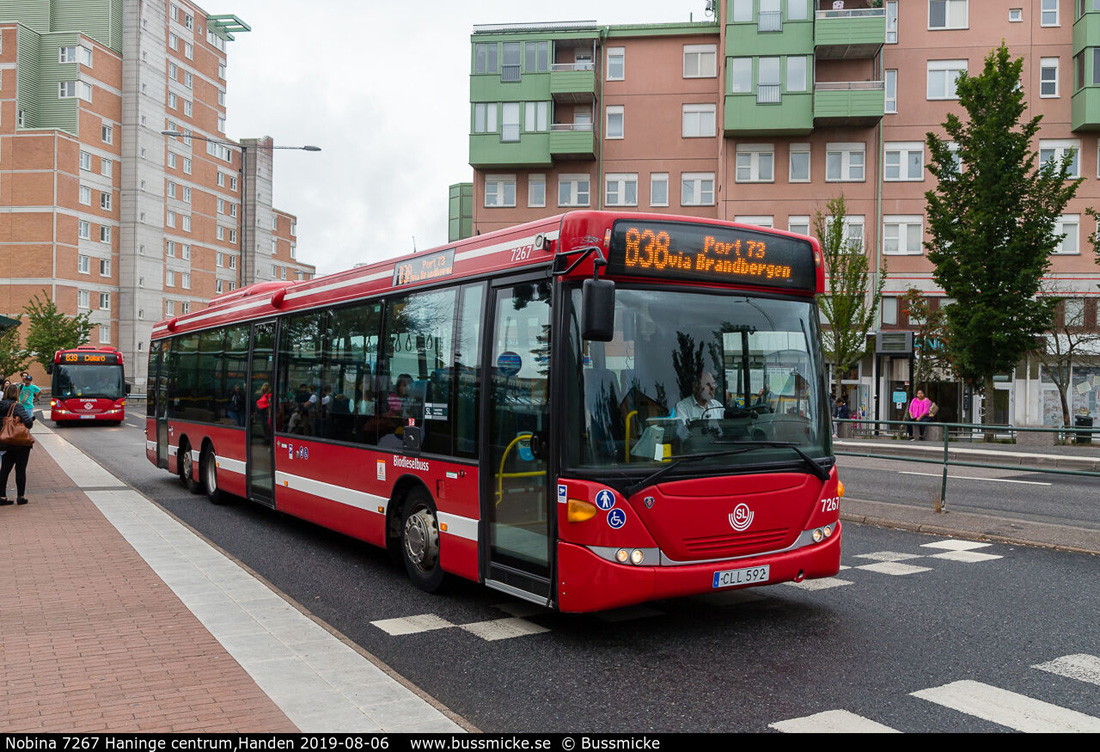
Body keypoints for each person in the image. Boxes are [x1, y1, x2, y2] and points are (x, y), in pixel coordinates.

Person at [0, 382, 35, 505]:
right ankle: (20, 497)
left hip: (4, 441)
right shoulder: (17, 406)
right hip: (19, 443)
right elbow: (28, 423)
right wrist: (29, 420)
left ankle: (2, 497)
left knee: (4, 469)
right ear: (17, 394)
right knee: (20, 470)